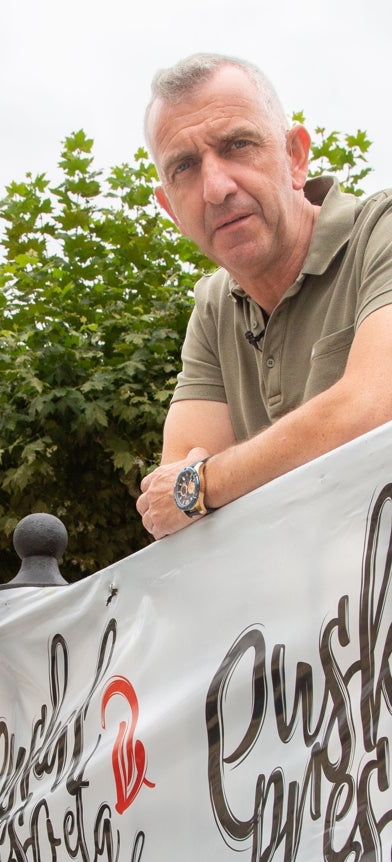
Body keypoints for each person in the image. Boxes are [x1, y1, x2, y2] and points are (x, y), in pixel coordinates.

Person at [135, 54, 392, 539]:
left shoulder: (382, 232)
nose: (215, 188)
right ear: (170, 208)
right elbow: (174, 514)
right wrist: (196, 489)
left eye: (238, 145)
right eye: (185, 166)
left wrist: (206, 482)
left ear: (295, 157)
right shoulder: (212, 307)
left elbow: (374, 409)